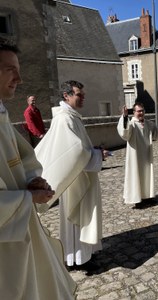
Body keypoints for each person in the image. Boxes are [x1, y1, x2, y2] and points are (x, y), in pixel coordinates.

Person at [0, 38, 76, 299]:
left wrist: (32, 179)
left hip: (20, 224)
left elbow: (23, 157)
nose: (19, 78)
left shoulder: (1, 112)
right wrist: (27, 197)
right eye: (10, 69)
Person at [35, 80, 109, 270]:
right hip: (74, 180)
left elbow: (79, 148)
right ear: (66, 96)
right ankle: (76, 258)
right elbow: (73, 153)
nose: (82, 97)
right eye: (79, 94)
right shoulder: (64, 119)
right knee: (76, 219)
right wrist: (97, 154)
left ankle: (85, 254)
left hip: (82, 176)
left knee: (85, 216)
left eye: (83, 94)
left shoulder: (72, 117)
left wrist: (93, 150)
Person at [117, 102, 158, 207]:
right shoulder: (131, 124)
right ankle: (138, 199)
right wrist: (125, 117)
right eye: (138, 111)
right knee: (136, 175)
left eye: (142, 111)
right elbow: (124, 133)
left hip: (147, 154)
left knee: (147, 175)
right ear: (134, 112)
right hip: (135, 155)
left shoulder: (148, 123)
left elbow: (157, 134)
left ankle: (147, 197)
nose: (141, 113)